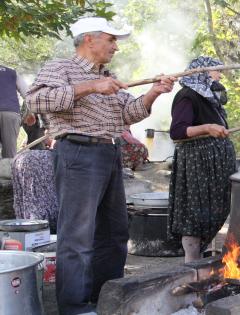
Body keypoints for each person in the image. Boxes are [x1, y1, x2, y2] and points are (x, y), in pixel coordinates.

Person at [25, 17, 175, 315]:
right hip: (77, 152)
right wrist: (91, 86)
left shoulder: (108, 75)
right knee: (77, 235)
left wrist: (154, 92)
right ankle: (75, 307)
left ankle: (106, 298)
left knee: (114, 232)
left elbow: (128, 114)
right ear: (89, 39)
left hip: (108, 152)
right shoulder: (61, 69)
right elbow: (37, 101)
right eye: (111, 39)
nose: (116, 46)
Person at [168, 56, 236, 263]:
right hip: (198, 164)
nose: (220, 74)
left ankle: (199, 260)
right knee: (195, 213)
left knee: (215, 211)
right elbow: (177, 131)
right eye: (217, 70)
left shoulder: (209, 96)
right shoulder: (188, 95)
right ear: (203, 72)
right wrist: (207, 128)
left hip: (213, 164)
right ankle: (191, 263)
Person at [0, 65, 28, 158]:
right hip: (11, 113)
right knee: (10, 155)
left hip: (11, 113)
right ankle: (8, 172)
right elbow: (27, 94)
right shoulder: (12, 72)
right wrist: (28, 113)